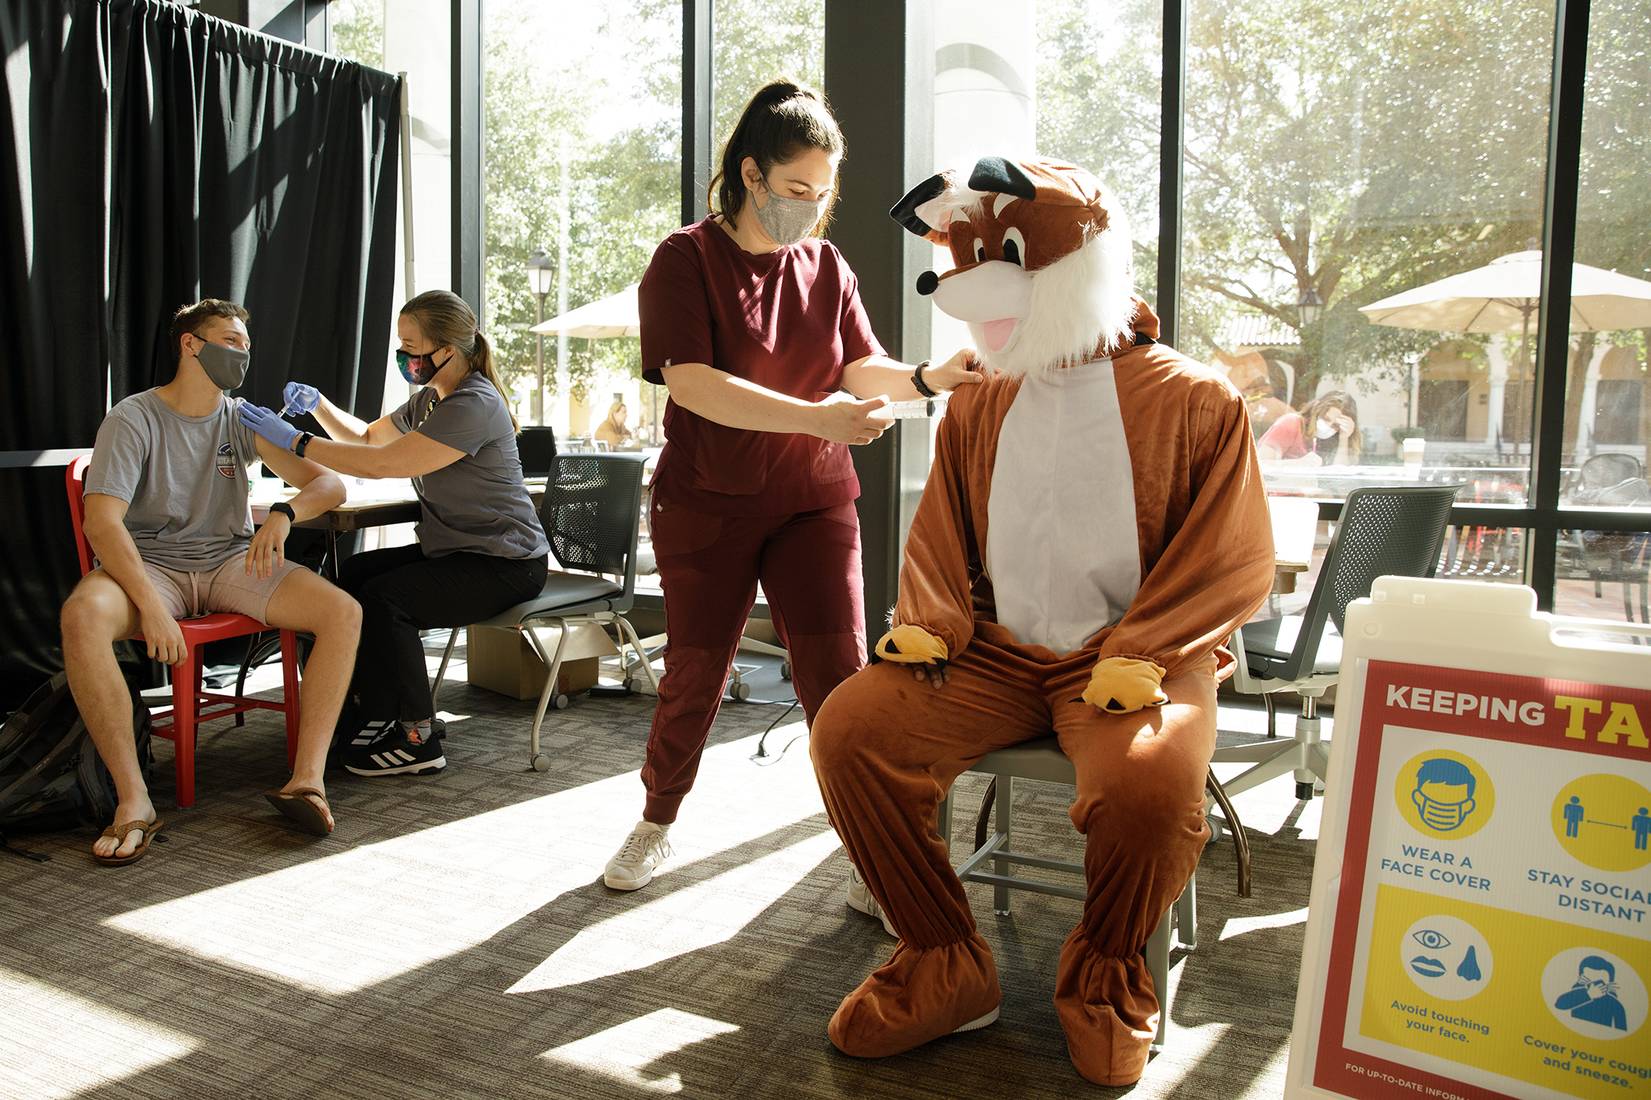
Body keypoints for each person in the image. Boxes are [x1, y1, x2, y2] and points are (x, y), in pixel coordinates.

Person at [809, 157, 1275, 1085]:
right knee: (851, 729)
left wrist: (1144, 650)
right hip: (990, 652)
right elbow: (941, 527)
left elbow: (1230, 554)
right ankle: (943, 959)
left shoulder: (1193, 399)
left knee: (1147, 788)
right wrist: (932, 620)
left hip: (1132, 658)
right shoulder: (983, 396)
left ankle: (1105, 979)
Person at [602, 79, 982, 892]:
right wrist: (819, 419)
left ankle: (869, 854)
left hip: (812, 502)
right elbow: (695, 384)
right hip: (706, 503)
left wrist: (928, 376)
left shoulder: (825, 264)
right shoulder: (684, 258)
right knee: (693, 676)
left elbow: (859, 368)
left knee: (839, 683)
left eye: (823, 192)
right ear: (750, 175)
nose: (811, 207)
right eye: (795, 190)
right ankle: (656, 820)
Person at [62, 299, 363, 863]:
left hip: (229, 563)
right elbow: (101, 522)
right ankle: (133, 802)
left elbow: (331, 485)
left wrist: (283, 513)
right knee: (82, 614)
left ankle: (307, 781)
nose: (241, 353)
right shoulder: (133, 417)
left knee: (343, 611)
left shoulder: (241, 417)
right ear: (191, 344)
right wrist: (150, 606)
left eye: (247, 345)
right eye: (230, 340)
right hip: (152, 567)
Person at [237, 290, 550, 778]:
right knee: (347, 581)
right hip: (458, 553)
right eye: (400, 347)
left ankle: (416, 736)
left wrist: (296, 440)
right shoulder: (430, 400)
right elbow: (366, 438)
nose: (405, 358)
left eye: (413, 348)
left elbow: (385, 464)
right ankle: (364, 713)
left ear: (448, 349)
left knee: (387, 599)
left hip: (504, 564)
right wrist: (318, 406)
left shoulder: (474, 404)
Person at [1258, 390, 1361, 465]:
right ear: (1316, 408)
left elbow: (1340, 476)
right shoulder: (1292, 423)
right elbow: (1262, 464)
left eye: (1335, 425)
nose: (1328, 427)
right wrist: (1299, 464)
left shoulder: (1336, 438)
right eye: (1326, 419)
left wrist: (1344, 439)